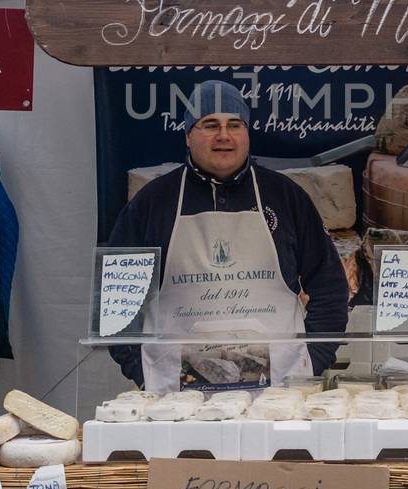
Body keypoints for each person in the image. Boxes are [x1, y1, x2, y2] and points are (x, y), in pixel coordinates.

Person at [106, 79, 348, 390]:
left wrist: (312, 359)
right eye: (209, 125)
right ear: (188, 136)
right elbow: (115, 302)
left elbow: (330, 287)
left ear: (247, 134)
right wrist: (143, 370)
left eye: (235, 124)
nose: (224, 136)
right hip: (176, 398)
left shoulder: (286, 196)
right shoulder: (152, 203)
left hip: (279, 391)